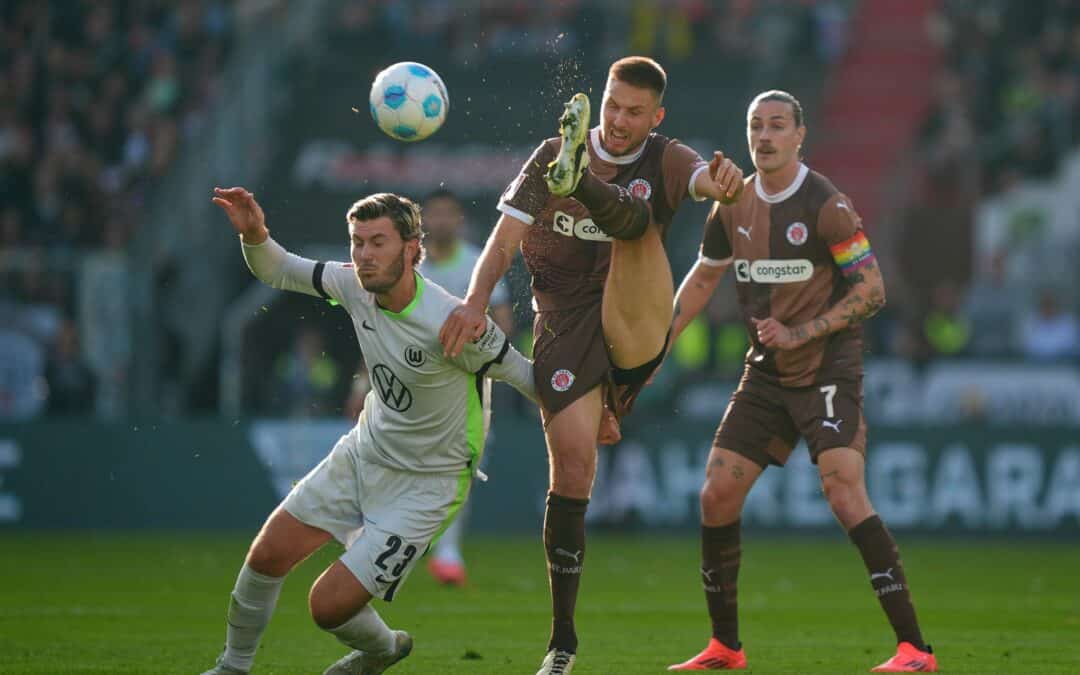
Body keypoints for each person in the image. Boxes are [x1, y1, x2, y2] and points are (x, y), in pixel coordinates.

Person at [439, 56, 745, 674]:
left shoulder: (665, 156)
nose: (621, 119)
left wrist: (721, 181)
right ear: (600, 101)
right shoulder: (548, 152)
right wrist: (475, 303)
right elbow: (501, 243)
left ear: (656, 116)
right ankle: (562, 641)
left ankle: (581, 185)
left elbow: (703, 183)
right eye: (612, 107)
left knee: (636, 229)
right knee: (574, 469)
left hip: (635, 313)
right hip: (562, 326)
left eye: (635, 112)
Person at [203, 187, 537, 675]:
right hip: (364, 453)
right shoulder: (352, 285)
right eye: (358, 242)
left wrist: (596, 415)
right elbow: (276, 268)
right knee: (266, 557)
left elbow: (526, 376)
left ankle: (382, 650)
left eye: (378, 242)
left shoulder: (450, 321)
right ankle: (233, 666)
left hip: (428, 484)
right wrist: (256, 234)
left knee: (327, 607)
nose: (364, 254)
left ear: (412, 247)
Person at [663, 90, 937, 672]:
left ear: (799, 135)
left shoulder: (827, 204)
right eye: (754, 125)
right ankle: (725, 647)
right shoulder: (730, 203)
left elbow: (873, 291)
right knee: (715, 495)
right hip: (765, 374)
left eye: (776, 126)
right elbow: (703, 279)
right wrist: (656, 344)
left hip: (826, 369)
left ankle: (914, 648)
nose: (763, 136)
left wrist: (802, 330)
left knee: (842, 487)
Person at [418, 188, 514, 587]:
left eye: (448, 213)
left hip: (466, 380)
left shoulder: (479, 264)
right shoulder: (410, 267)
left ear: (459, 220)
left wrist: (482, 355)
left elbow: (505, 322)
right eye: (433, 213)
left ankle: (448, 552)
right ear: (422, 220)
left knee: (463, 465)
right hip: (416, 378)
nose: (440, 220)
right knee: (409, 464)